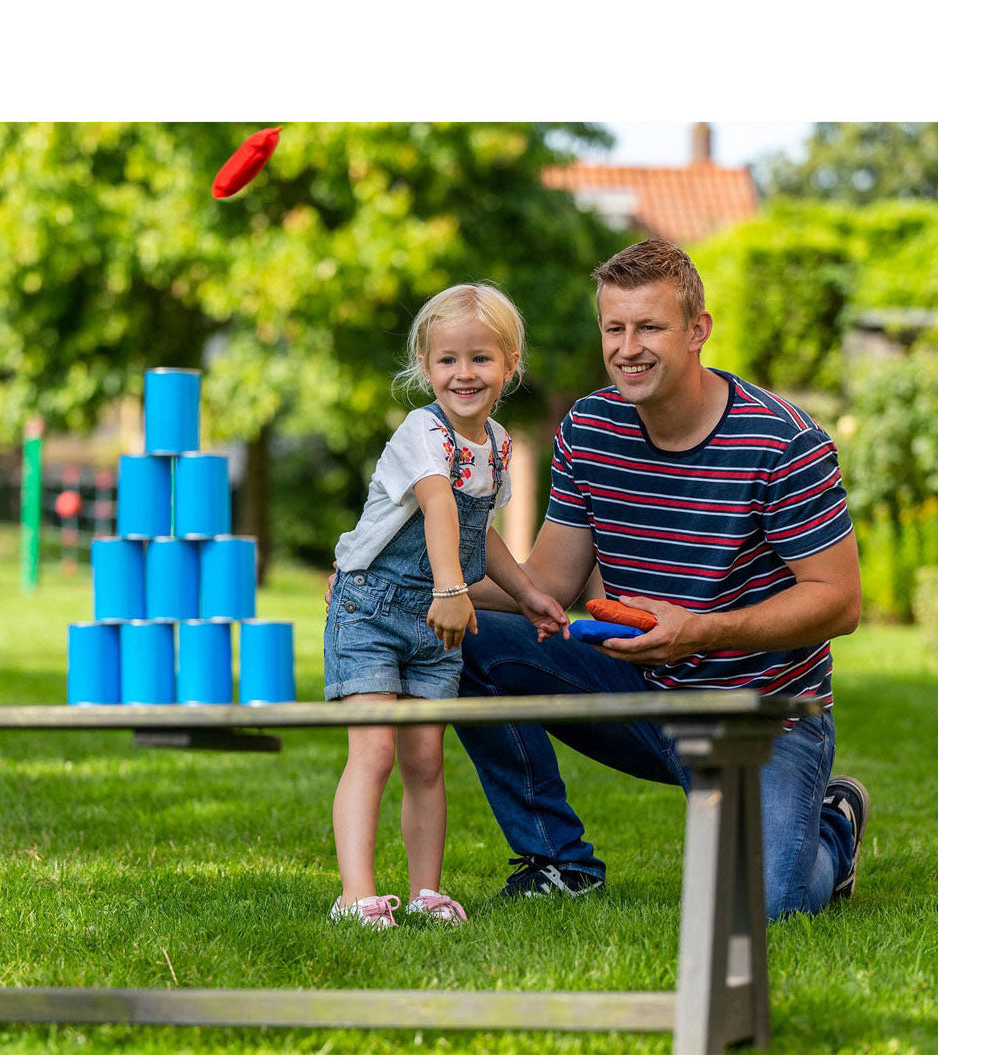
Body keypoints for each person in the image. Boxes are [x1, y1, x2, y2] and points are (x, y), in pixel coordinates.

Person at [455, 239, 870, 920]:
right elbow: (547, 587)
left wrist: (700, 633)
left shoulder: (782, 442)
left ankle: (833, 825)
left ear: (697, 330)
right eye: (614, 328)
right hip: (641, 692)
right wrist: (419, 581)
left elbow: (840, 603)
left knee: (760, 911)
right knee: (467, 638)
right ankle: (558, 862)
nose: (628, 347)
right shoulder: (589, 429)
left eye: (649, 327)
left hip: (759, 718)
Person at [324, 283, 568, 929]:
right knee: (372, 751)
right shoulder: (421, 432)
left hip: (435, 616)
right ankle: (355, 896)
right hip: (374, 608)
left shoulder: (496, 445)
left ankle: (426, 892)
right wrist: (453, 591)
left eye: (481, 359)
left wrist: (527, 593)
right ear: (426, 368)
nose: (464, 374)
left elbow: (474, 530)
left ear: (509, 365)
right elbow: (437, 506)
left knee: (427, 759)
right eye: (447, 361)